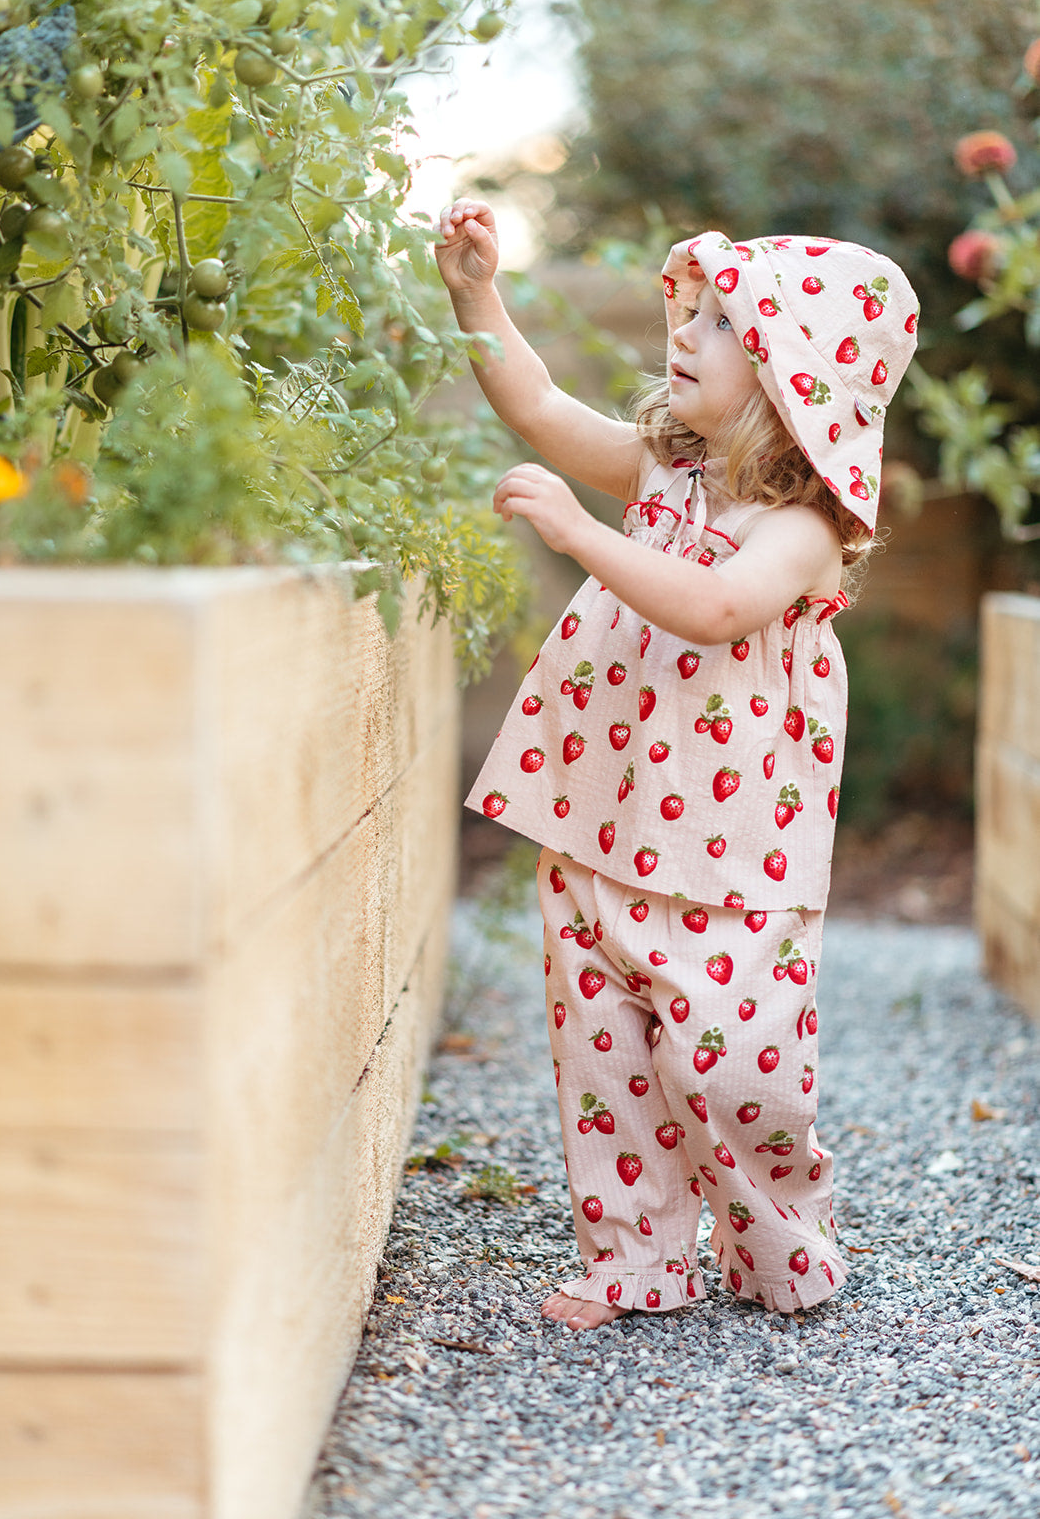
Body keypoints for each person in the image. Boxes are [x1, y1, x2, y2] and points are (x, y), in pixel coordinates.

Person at [435, 199, 919, 1332]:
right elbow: (540, 405)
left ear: (783, 377)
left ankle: (776, 1234)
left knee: (736, 1067)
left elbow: (710, 607)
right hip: (606, 817)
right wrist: (475, 295)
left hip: (734, 850)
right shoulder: (670, 467)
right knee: (604, 1063)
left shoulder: (798, 530)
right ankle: (634, 1259)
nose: (682, 333)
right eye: (688, 313)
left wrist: (578, 537)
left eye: (714, 323)